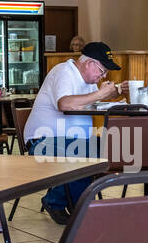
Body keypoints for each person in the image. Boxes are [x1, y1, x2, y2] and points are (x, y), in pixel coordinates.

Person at [24, 42, 124, 224]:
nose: (103, 76)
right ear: (89, 63)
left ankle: (66, 202)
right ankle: (79, 207)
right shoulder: (64, 72)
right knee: (89, 153)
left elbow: (91, 101)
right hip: (43, 142)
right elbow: (65, 104)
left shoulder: (88, 81)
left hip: (73, 142)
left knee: (110, 148)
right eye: (102, 71)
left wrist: (113, 92)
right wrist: (101, 94)